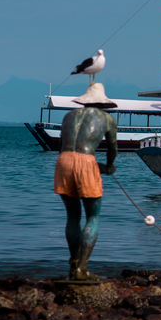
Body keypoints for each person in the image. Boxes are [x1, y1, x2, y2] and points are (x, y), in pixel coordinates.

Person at [53, 83, 118, 280]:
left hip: (63, 161)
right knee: (93, 217)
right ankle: (82, 268)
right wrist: (108, 167)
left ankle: (73, 265)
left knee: (72, 217)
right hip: (87, 161)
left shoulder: (68, 116)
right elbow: (112, 148)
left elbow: (61, 144)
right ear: (103, 103)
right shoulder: (107, 119)